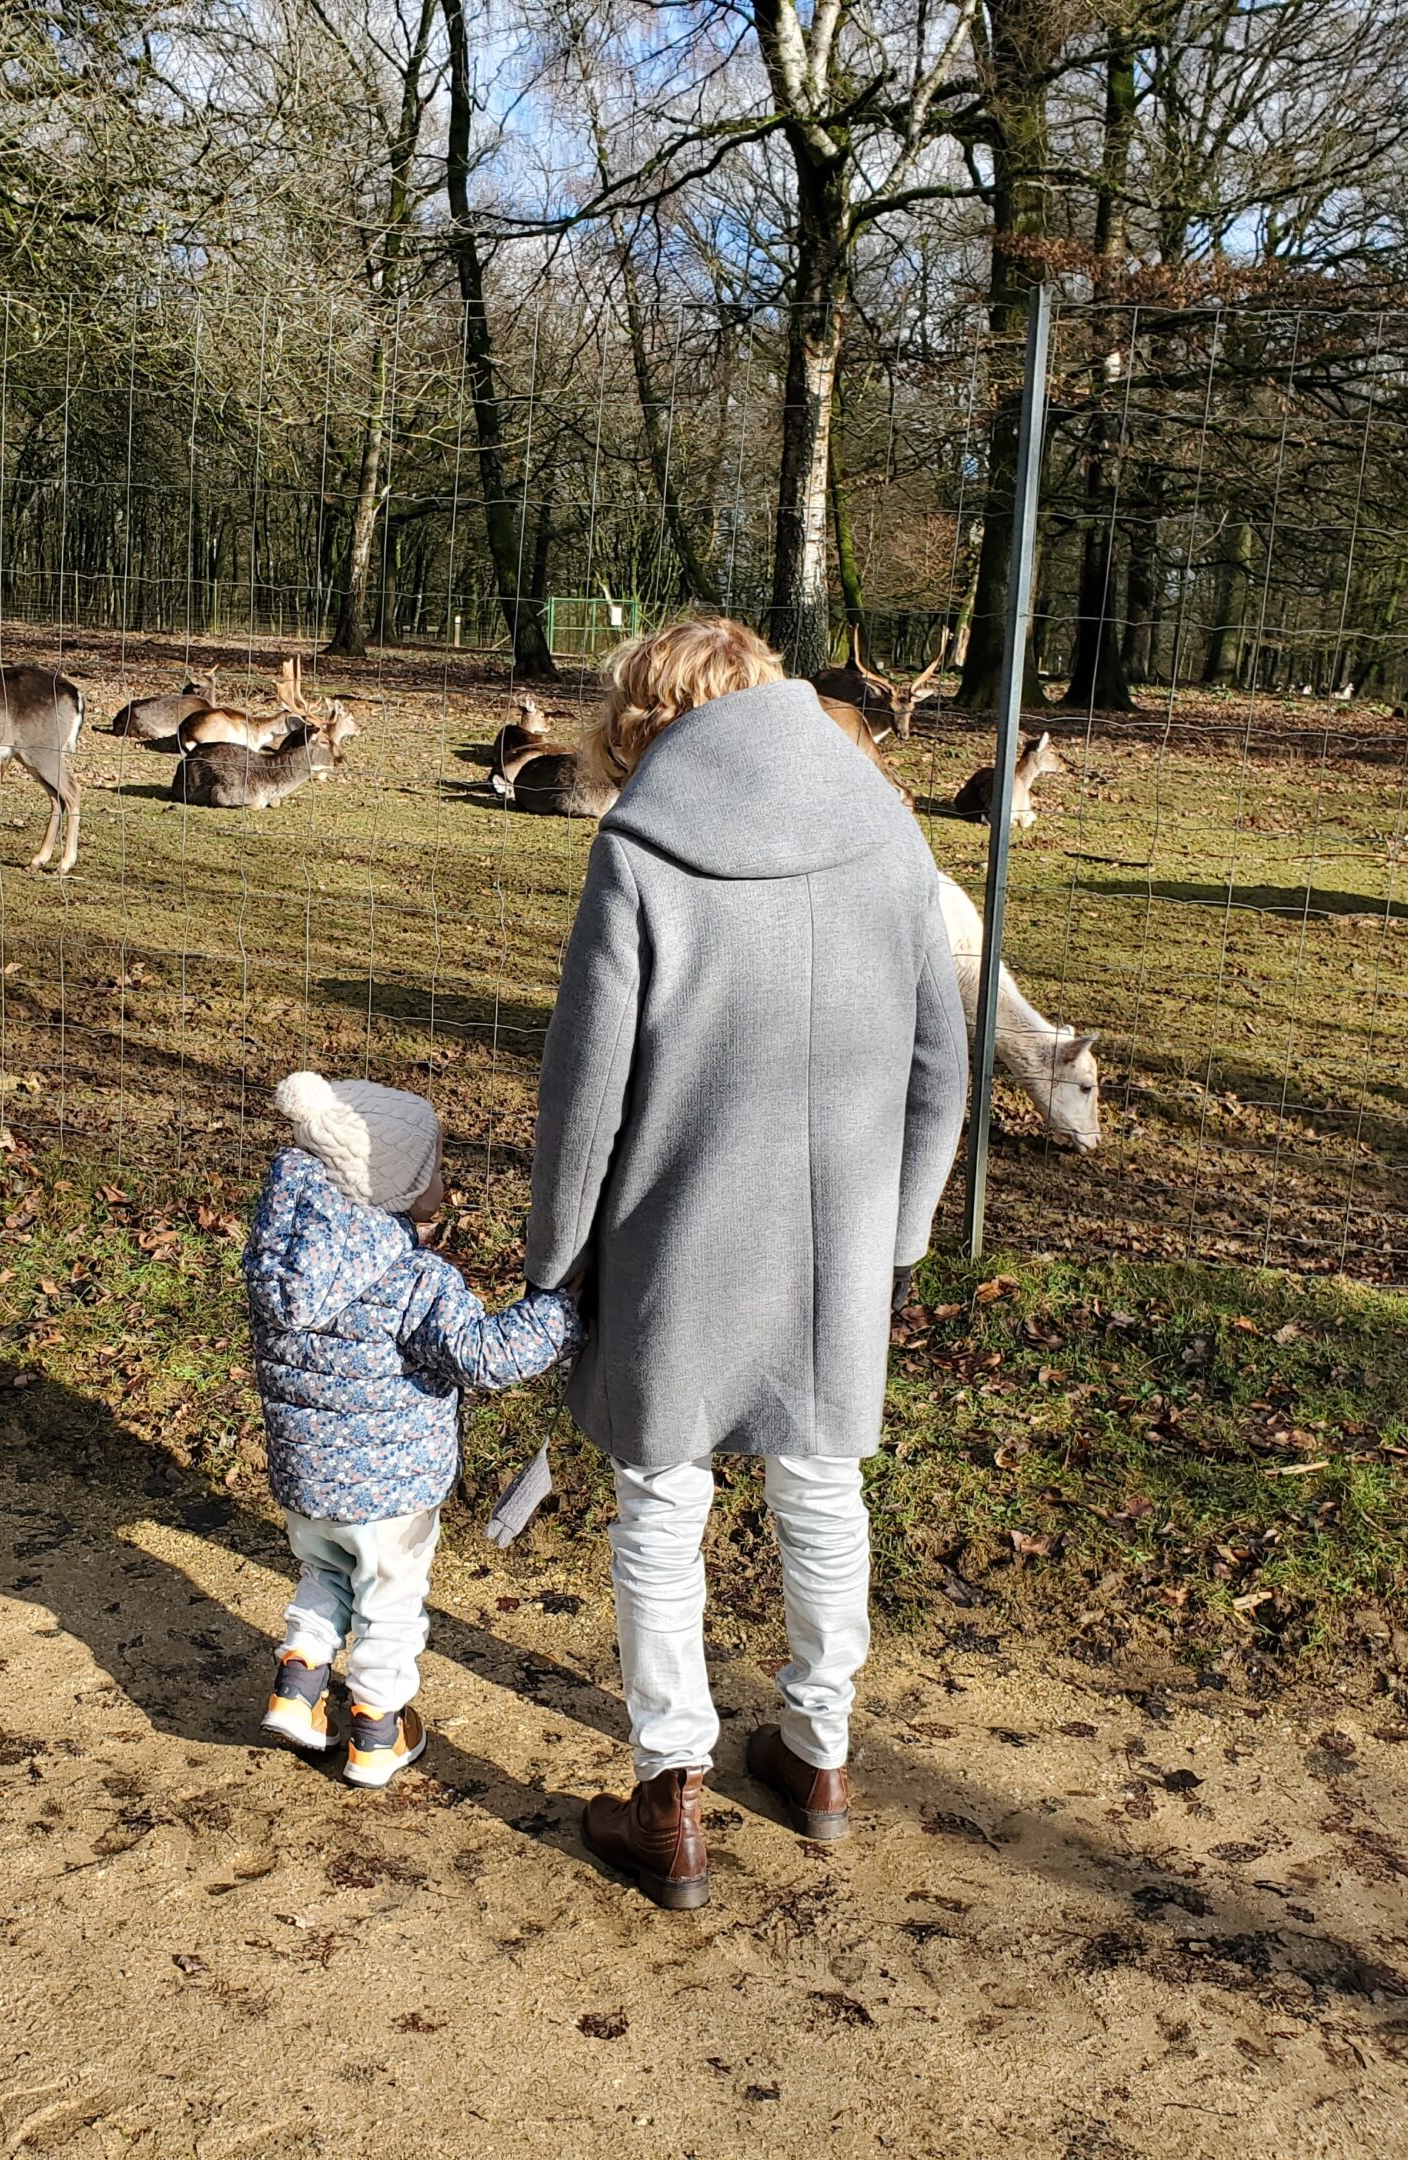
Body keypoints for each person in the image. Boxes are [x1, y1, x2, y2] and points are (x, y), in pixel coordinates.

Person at [526, 616, 969, 1908]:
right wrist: (901, 1232)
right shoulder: (888, 829)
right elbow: (944, 1065)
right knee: (822, 1481)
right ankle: (820, 1757)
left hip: (673, 1235)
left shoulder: (644, 849)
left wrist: (557, 1262)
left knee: (662, 1498)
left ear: (645, 724)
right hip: (838, 1240)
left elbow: (585, 1098)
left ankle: (673, 1798)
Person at [245, 1069, 579, 1786]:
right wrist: (561, 1313)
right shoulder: (412, 1279)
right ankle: (377, 1731)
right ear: (395, 1189)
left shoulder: (285, 1261)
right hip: (392, 1492)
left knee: (325, 1575)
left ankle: (298, 1690)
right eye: (432, 1173)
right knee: (389, 1603)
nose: (443, 1187)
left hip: (307, 1483)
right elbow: (484, 1356)